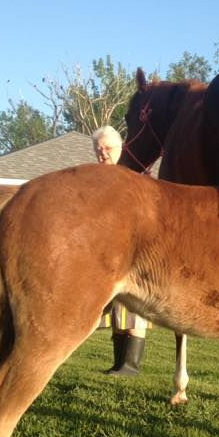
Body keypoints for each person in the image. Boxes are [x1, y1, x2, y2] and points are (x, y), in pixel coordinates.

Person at [92, 125, 149, 376]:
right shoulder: (96, 177)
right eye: (98, 149)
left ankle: (130, 365)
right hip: (107, 252)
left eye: (107, 148)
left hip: (134, 251)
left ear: (120, 149)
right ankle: (119, 363)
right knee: (116, 307)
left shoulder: (134, 176)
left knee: (133, 307)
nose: (102, 153)